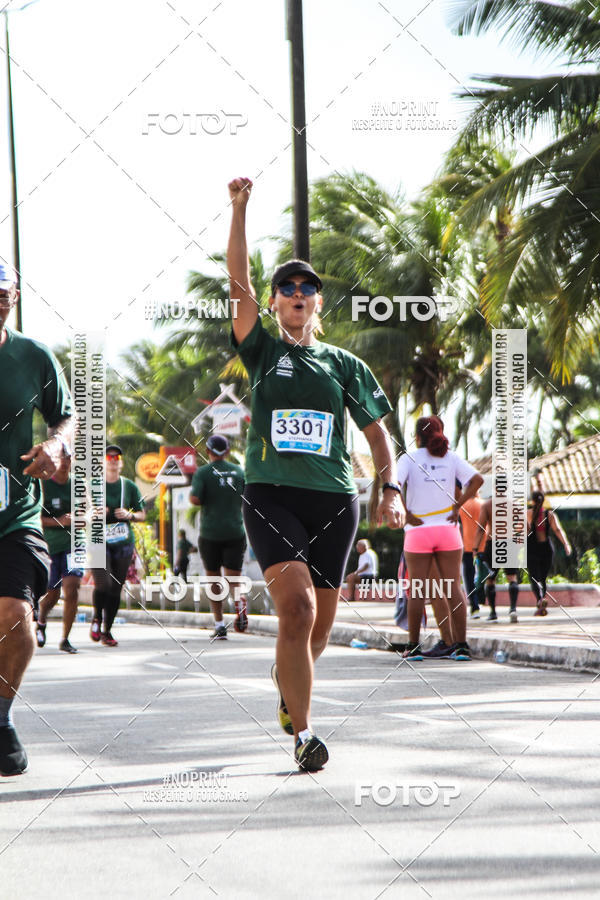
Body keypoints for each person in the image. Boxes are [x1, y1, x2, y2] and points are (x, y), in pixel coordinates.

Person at [227, 176, 405, 771]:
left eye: (308, 287)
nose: (297, 292)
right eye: (287, 287)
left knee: (319, 631)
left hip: (335, 501)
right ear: (275, 302)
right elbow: (236, 284)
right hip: (271, 494)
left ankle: (286, 681)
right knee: (297, 612)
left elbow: (378, 430)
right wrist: (240, 208)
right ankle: (304, 734)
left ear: (318, 303)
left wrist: (390, 487)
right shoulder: (262, 352)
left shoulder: (344, 365)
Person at [0, 263, 72, 776]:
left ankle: (0, 716)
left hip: (16, 511)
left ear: (16, 296)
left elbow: (66, 416)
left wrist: (56, 442)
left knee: (14, 616)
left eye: (2, 293)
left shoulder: (33, 355)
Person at [396, 415, 483, 661]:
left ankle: (413, 648)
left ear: (417, 437)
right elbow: (477, 480)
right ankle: (461, 647)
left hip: (418, 530)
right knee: (453, 587)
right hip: (447, 530)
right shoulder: (452, 458)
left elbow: (394, 484)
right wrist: (458, 506)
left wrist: (407, 513)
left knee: (417, 590)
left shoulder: (408, 458)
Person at [190, 434, 248, 637]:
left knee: (214, 581)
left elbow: (195, 498)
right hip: (235, 531)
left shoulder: (203, 473)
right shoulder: (240, 472)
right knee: (234, 579)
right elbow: (247, 498)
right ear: (228, 451)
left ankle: (219, 625)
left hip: (210, 534)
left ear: (208, 452)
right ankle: (239, 602)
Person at [90, 445, 145, 646]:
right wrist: (95, 513)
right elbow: (79, 513)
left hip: (123, 541)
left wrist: (130, 515)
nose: (113, 460)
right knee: (103, 584)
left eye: (116, 457)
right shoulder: (92, 485)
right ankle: (96, 617)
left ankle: (107, 630)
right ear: (103, 461)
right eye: (109, 456)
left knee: (116, 587)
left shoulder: (128, 486)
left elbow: (142, 514)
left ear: (120, 462)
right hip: (98, 540)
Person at [37, 456, 83, 653]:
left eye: (69, 457)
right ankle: (41, 618)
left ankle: (65, 639)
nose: (65, 461)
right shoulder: (43, 484)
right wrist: (59, 521)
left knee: (72, 589)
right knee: (52, 593)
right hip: (50, 545)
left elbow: (89, 510)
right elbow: (36, 518)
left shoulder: (79, 483)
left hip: (76, 544)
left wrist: (83, 517)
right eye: (61, 457)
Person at [474, 498, 520, 622]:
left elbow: (480, 528)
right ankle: (513, 609)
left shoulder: (487, 505)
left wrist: (475, 548)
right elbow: (525, 526)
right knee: (512, 577)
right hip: (509, 542)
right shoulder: (513, 504)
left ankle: (493, 612)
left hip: (492, 543)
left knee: (490, 579)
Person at [527, 491, 571, 615]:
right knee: (543, 578)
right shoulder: (550, 515)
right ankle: (543, 599)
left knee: (534, 577)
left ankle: (540, 599)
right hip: (547, 549)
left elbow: (520, 531)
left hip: (532, 549)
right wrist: (566, 544)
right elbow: (557, 530)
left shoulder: (527, 514)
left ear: (533, 501)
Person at [459, 490, 486, 618]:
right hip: (484, 546)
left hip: (467, 547)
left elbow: (458, 526)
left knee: (469, 578)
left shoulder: (461, 506)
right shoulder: (484, 504)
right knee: (485, 575)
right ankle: (483, 600)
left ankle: (475, 607)